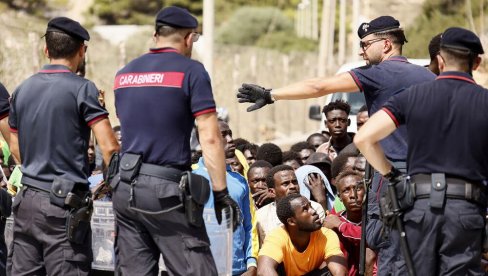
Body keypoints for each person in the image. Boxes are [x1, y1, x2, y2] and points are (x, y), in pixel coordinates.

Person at [237, 15, 436, 275]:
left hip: (391, 176)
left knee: (385, 247)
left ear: (386, 44)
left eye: (365, 44)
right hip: (431, 179)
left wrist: (271, 94)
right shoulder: (430, 78)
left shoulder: (378, 74)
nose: (361, 51)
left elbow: (319, 86)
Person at [112, 7, 240, 275]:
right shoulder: (191, 71)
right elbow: (210, 137)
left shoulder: (124, 74)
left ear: (155, 35)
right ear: (189, 38)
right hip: (165, 193)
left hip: (125, 188)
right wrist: (221, 193)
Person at [355, 27, 487, 275]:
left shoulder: (411, 96)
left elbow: (364, 138)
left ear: (439, 59)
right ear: (477, 62)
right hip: (465, 209)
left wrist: (391, 175)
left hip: (418, 207)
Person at [7, 17, 120, 275]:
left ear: (46, 50)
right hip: (63, 207)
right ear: (82, 51)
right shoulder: (84, 89)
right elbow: (110, 146)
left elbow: (16, 148)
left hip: (27, 201)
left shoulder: (22, 89)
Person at [194, 119, 257, 276]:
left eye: (230, 134)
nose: (231, 140)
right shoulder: (193, 180)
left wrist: (251, 264)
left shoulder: (239, 180)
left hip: (238, 270)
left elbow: (248, 226)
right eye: (223, 135)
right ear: (205, 140)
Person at [258, 193, 347, 275]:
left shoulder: (326, 235)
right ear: (292, 221)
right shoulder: (277, 236)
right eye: (305, 209)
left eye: (310, 206)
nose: (313, 211)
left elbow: (340, 271)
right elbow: (263, 271)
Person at [256, 165, 325, 246]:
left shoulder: (315, 208)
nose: (292, 186)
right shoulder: (260, 216)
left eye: (295, 182)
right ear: (272, 191)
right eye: (285, 184)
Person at [324, 170, 375, 276]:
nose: (353, 195)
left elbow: (371, 237)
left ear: (366, 191)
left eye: (358, 189)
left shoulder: (375, 217)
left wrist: (341, 226)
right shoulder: (333, 221)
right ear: (339, 197)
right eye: (346, 190)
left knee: (369, 253)